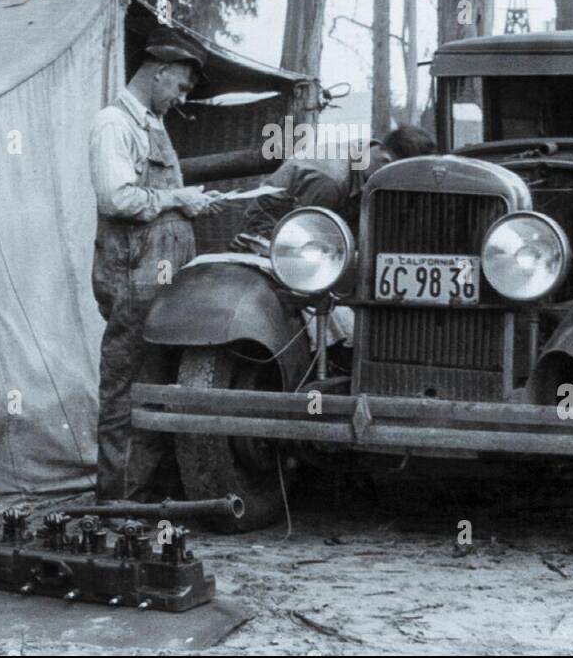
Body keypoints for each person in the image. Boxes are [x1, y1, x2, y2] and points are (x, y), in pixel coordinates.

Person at [89, 25, 221, 501]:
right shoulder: (114, 125)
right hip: (132, 279)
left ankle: (143, 494)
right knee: (126, 390)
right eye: (181, 87)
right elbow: (117, 198)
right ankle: (116, 501)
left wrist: (183, 204)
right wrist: (176, 198)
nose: (182, 98)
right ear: (160, 73)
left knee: (154, 383)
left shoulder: (151, 123)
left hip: (159, 281)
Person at [239, 124, 438, 242]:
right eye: (403, 177)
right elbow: (305, 236)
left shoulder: (370, 154)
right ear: (386, 161)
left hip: (322, 222)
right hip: (270, 231)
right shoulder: (331, 179)